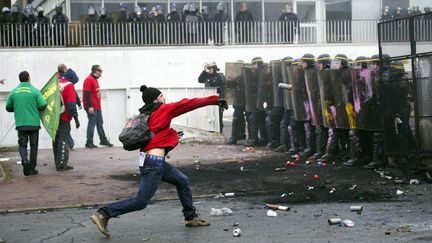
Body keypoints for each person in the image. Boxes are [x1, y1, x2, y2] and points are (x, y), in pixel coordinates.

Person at [90, 86, 228, 237]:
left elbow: (153, 138)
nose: (165, 99)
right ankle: (103, 214)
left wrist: (173, 135)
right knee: (140, 202)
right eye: (162, 96)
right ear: (155, 99)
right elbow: (188, 103)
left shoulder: (144, 115)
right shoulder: (163, 110)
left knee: (182, 180)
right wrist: (214, 100)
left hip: (152, 161)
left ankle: (190, 217)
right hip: (153, 164)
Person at [6, 71, 47, 176]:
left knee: (22, 145)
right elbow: (43, 105)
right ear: (28, 78)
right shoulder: (35, 91)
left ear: (19, 79)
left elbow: (8, 107)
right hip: (33, 123)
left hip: (21, 123)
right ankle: (32, 168)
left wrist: (18, 109)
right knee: (34, 146)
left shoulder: (14, 91)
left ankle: (24, 160)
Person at [54, 69, 80, 171]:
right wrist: (76, 119)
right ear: (72, 79)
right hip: (64, 117)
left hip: (54, 117)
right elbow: (71, 105)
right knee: (63, 139)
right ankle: (62, 164)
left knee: (56, 140)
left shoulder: (56, 83)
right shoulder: (69, 86)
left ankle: (57, 162)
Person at [82, 65, 113, 148]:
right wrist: (89, 106)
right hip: (92, 106)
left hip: (97, 106)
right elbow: (86, 94)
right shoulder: (89, 79)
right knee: (92, 123)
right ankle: (89, 142)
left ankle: (103, 140)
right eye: (100, 71)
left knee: (100, 123)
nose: (101, 74)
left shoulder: (95, 80)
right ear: (96, 71)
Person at [198, 62, 225, 133]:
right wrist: (204, 71)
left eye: (210, 68)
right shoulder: (206, 75)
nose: (209, 70)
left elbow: (223, 88)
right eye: (208, 68)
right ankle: (210, 130)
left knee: (218, 116)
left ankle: (219, 131)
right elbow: (200, 80)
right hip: (209, 99)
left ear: (214, 68)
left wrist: (222, 100)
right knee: (209, 115)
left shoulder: (219, 76)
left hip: (217, 98)